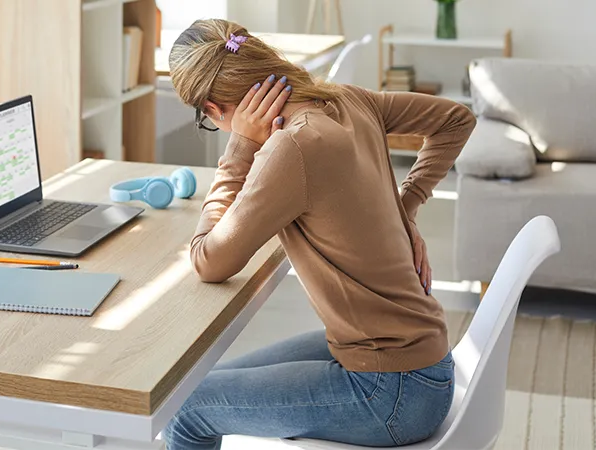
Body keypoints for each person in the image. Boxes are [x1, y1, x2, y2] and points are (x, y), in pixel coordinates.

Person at [164, 19, 476, 450]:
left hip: (391, 391)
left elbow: (207, 260)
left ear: (214, 109)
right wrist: (407, 206)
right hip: (413, 359)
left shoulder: (290, 147)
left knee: (185, 409)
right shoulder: (347, 99)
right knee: (202, 387)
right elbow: (455, 119)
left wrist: (238, 148)